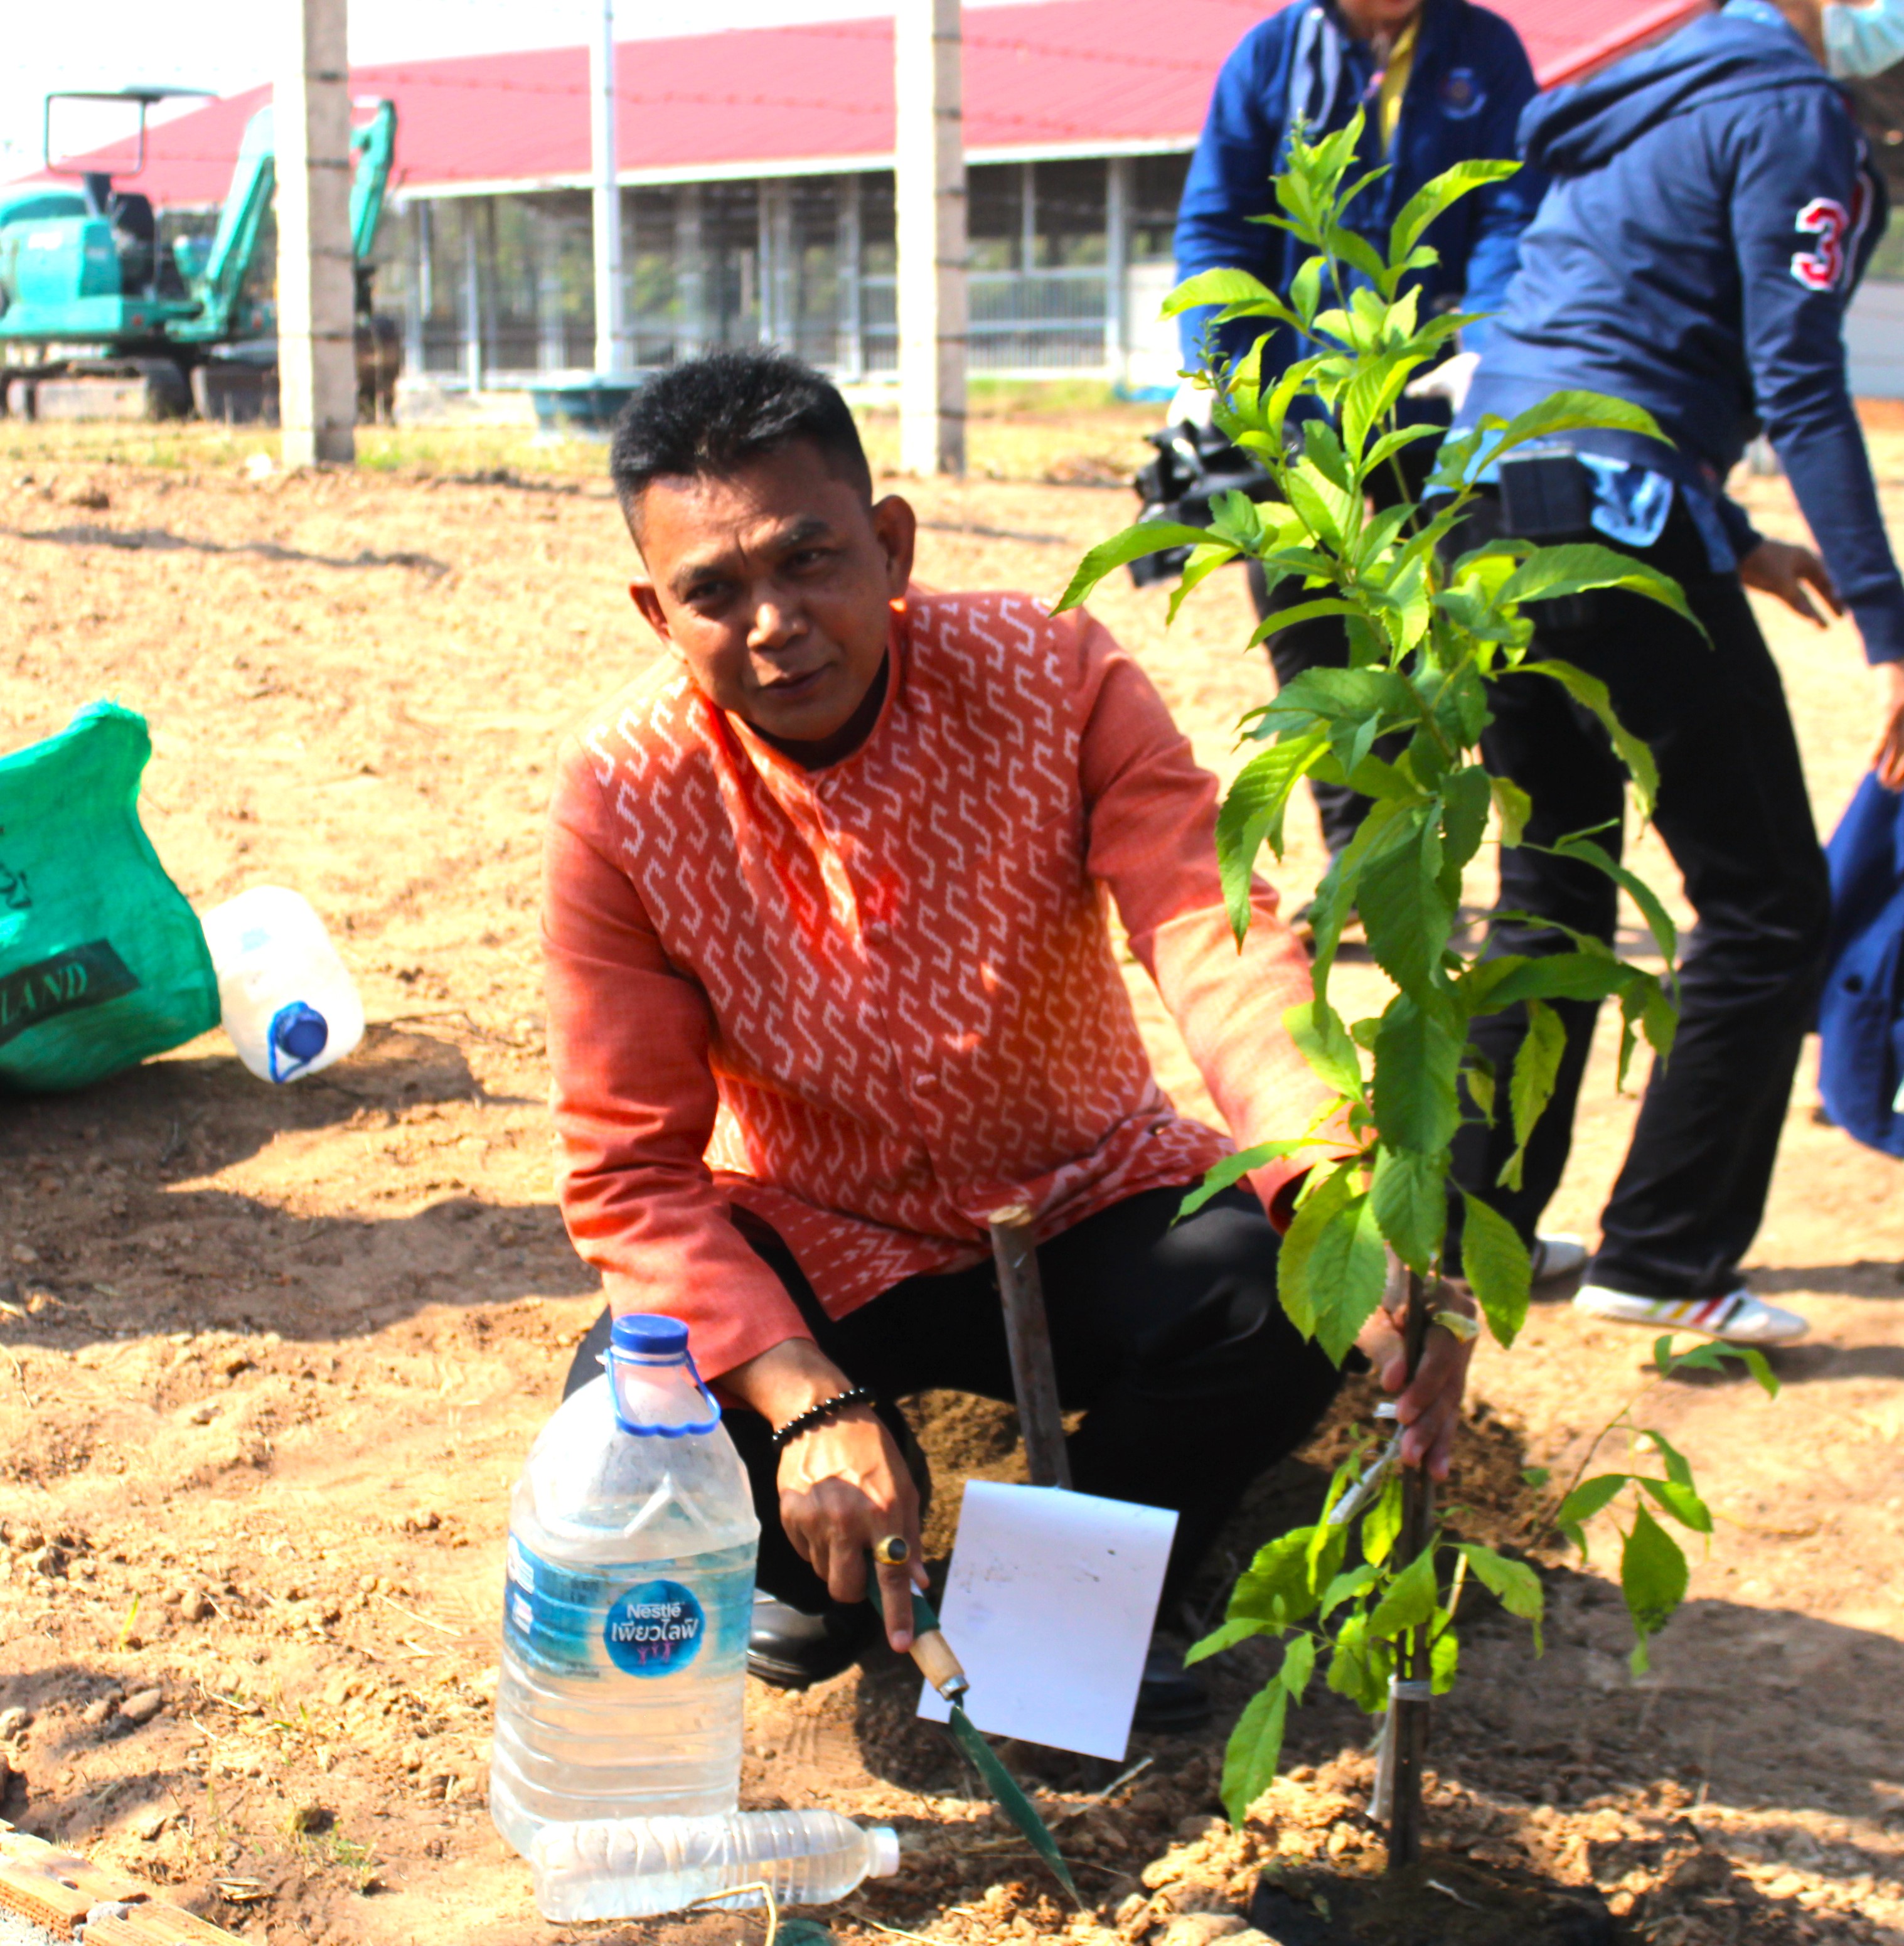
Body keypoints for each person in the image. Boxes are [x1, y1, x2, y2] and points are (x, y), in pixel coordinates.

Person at [540, 348, 1475, 1723]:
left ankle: (1065, 1598)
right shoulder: (622, 793)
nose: (774, 624)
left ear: (892, 545)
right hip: (820, 1223)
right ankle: (827, 1572)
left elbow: (1209, 929)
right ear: (655, 612)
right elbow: (628, 1170)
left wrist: (1333, 1180)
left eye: (809, 560)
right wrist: (805, 1402)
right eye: (713, 592)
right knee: (637, 1406)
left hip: (1083, 1192)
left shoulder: (1052, 672)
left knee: (1277, 1294)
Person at [1446, 0, 1904, 1346]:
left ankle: (1469, 1238)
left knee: (1550, 892)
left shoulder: (1653, 91)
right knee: (1766, 906)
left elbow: (1608, 333)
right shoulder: (1792, 111)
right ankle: (1663, 1254)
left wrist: (1735, 537)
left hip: (1482, 513)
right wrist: (1891, 631)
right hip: (1614, 523)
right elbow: (1797, 380)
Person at [1173, 0, 1544, 860]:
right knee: (1303, 604)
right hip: (1303, 392)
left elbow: (1509, 211)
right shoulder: (1271, 57)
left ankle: (1504, 855)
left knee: (1467, 605)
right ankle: (1365, 849)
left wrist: (1487, 341)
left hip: (1440, 386)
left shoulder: (1484, 49)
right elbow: (1218, 224)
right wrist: (1214, 368)